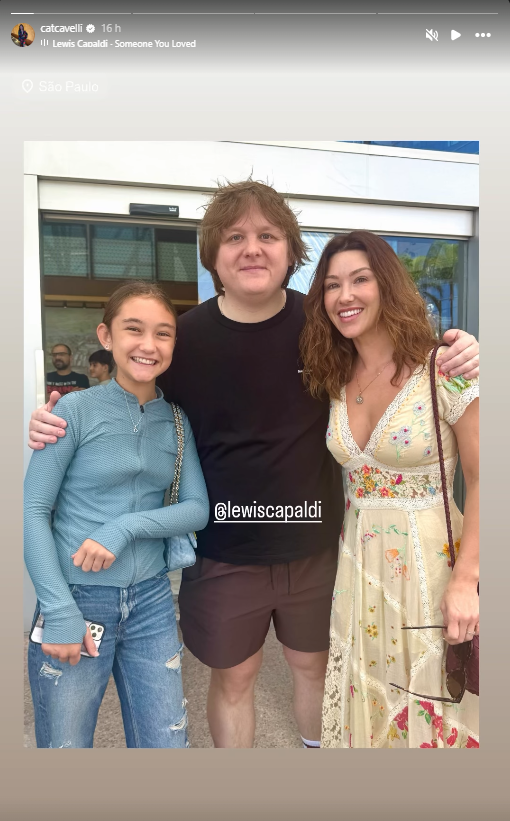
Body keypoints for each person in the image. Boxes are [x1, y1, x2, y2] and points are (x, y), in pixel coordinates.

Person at [28, 180, 480, 749]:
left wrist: (462, 346)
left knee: (317, 670)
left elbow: (397, 357)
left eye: (268, 235)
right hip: (223, 553)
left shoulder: (326, 326)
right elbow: (127, 398)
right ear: (213, 256)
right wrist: (55, 419)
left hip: (318, 548)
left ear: (291, 252)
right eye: (235, 237)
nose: (252, 248)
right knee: (235, 677)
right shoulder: (181, 339)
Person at [300, 231, 479, 748]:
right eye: (332, 285)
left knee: (437, 706)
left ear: (389, 286)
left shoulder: (445, 368)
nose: (345, 295)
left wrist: (467, 581)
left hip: (433, 570)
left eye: (360, 279)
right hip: (359, 574)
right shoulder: (333, 377)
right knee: (373, 704)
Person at [25, 281, 209, 748]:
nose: (149, 345)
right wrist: (60, 611)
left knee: (166, 746)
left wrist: (123, 529)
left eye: (163, 334)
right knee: (65, 750)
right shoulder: (72, 411)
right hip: (76, 598)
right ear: (106, 336)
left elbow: (196, 509)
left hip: (151, 602)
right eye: (134, 329)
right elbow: (34, 513)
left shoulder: (176, 420)